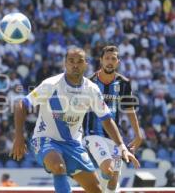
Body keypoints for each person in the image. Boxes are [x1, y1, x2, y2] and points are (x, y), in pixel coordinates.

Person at [11, 47, 140, 193]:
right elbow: (21, 104)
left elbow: (107, 120)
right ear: (65, 64)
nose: (75, 65)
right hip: (45, 139)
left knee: (96, 190)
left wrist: (122, 147)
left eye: (79, 61)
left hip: (73, 144)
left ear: (86, 64)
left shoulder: (91, 89)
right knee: (58, 167)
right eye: (71, 61)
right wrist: (19, 137)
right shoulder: (51, 84)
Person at [83, 45, 143, 193]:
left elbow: (129, 109)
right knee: (108, 168)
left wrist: (137, 134)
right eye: (107, 58)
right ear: (101, 60)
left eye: (113, 59)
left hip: (113, 136)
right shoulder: (89, 82)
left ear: (118, 62)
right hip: (93, 133)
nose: (110, 62)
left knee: (114, 179)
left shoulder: (124, 83)